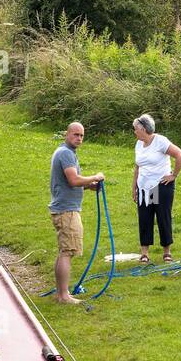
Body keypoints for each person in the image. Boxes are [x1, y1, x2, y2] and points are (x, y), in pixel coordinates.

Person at [49, 121, 104, 304]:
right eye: (75, 134)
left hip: (65, 208)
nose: (79, 138)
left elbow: (71, 182)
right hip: (67, 211)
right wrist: (95, 177)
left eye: (81, 135)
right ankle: (64, 296)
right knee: (67, 252)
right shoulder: (65, 153)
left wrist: (89, 186)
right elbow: (73, 180)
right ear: (67, 134)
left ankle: (61, 293)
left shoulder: (67, 152)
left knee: (64, 251)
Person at [131, 114, 181, 264]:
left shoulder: (160, 141)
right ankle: (144, 253)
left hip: (160, 186)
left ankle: (167, 252)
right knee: (145, 217)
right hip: (144, 186)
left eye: (135, 129)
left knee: (163, 217)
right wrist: (134, 186)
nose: (134, 132)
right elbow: (137, 167)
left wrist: (173, 175)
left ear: (143, 129)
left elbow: (180, 155)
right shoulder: (138, 144)